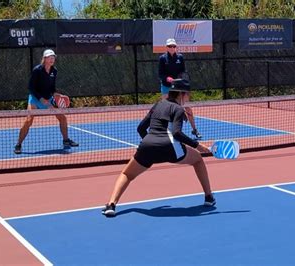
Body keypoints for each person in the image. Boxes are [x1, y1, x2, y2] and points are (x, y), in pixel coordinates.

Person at [102, 79, 216, 217]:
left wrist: (151, 145)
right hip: (171, 148)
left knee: (126, 174)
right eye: (187, 94)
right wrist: (198, 146)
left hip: (148, 146)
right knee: (197, 160)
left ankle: (111, 205)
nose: (188, 97)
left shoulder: (158, 105)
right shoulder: (179, 109)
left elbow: (141, 128)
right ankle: (209, 197)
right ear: (181, 94)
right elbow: (176, 133)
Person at [13, 49, 78, 154]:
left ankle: (66, 140)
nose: (52, 59)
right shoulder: (37, 70)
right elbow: (31, 88)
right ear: (45, 58)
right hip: (35, 98)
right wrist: (41, 99)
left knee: (62, 118)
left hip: (48, 98)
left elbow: (52, 88)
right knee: (28, 121)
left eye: (53, 57)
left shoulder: (54, 71)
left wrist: (55, 94)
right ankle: (18, 144)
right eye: (50, 57)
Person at [158, 38, 202, 139]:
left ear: (176, 47)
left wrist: (180, 79)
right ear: (166, 47)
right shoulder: (162, 58)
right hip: (166, 86)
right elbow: (160, 74)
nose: (172, 48)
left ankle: (194, 130)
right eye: (170, 46)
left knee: (187, 107)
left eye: (174, 46)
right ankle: (164, 131)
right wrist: (168, 79)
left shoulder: (180, 57)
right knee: (165, 108)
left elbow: (183, 71)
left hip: (179, 86)